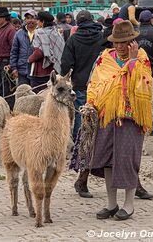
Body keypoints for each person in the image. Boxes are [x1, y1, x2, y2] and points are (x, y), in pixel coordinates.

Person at [86, 20, 153, 220]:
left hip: (130, 118)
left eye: (123, 43)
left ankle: (129, 204)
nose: (119, 46)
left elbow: (145, 87)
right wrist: (91, 103)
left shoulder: (141, 59)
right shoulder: (105, 59)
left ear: (132, 42)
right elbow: (95, 83)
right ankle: (111, 203)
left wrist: (132, 63)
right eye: (116, 42)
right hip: (106, 115)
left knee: (127, 159)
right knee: (107, 159)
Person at [61, 10, 104, 198]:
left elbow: (65, 64)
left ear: (78, 22)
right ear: (93, 21)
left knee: (81, 121)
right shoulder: (102, 37)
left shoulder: (74, 39)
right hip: (101, 85)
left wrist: (69, 75)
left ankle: (80, 154)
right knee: (100, 123)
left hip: (80, 85)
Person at [28, 11, 65, 93]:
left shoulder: (39, 33)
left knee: (38, 96)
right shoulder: (56, 32)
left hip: (40, 71)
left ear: (43, 22)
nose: (37, 22)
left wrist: (29, 59)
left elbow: (40, 52)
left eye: (38, 20)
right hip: (53, 70)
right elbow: (60, 49)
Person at [0, 7, 16, 109]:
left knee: (7, 90)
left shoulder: (11, 30)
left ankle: (9, 111)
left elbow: (14, 49)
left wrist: (11, 64)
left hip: (6, 63)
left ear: (4, 18)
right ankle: (2, 110)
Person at [10, 9, 37, 86]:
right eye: (28, 18)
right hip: (22, 70)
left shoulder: (40, 32)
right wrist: (14, 68)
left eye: (32, 18)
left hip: (36, 71)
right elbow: (14, 52)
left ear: (36, 19)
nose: (30, 20)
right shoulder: (19, 33)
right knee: (23, 94)